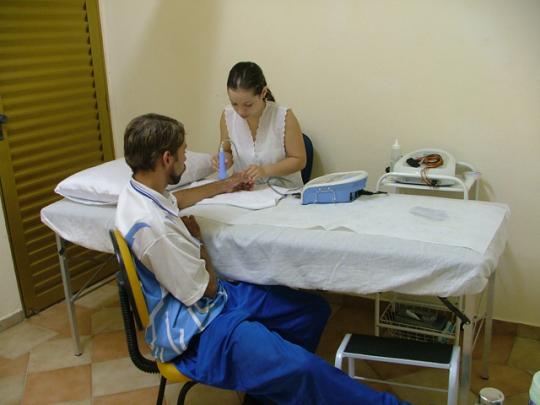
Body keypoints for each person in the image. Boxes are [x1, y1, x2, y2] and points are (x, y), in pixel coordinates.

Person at [116, 113, 407, 405]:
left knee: (312, 311)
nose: (186, 159)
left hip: (207, 300)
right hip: (197, 329)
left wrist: (226, 184)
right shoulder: (155, 229)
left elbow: (177, 200)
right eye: (183, 153)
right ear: (166, 159)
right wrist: (200, 242)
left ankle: (267, 394)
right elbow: (208, 289)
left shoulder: (140, 192)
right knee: (302, 368)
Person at [212, 61, 306, 188]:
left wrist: (265, 170)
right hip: (245, 191)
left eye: (248, 105)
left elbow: (299, 160)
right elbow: (227, 150)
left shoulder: (284, 116)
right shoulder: (227, 116)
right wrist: (224, 161)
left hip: (283, 191)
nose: (240, 112)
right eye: (234, 104)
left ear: (263, 92)